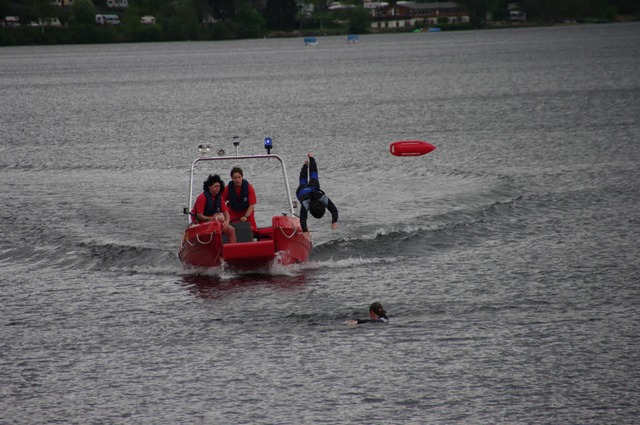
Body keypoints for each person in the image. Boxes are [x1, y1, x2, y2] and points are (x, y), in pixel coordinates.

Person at [296, 153, 338, 239]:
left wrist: (334, 222)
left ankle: (311, 158)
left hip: (313, 189)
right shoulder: (305, 204)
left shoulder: (322, 198)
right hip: (301, 191)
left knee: (314, 176)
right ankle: (305, 165)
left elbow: (334, 211)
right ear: (310, 211)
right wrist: (305, 231)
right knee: (303, 181)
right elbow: (302, 220)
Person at [191, 174, 237, 244]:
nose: (217, 188)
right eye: (215, 186)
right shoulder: (202, 198)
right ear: (209, 187)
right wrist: (210, 218)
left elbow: (226, 213)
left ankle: (233, 249)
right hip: (200, 222)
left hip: (214, 222)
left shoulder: (219, 198)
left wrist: (226, 222)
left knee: (231, 230)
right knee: (216, 227)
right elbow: (199, 215)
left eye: (218, 186)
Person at [222, 166, 257, 231]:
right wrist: (225, 213)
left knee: (252, 230)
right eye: (235, 178)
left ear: (242, 177)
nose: (237, 180)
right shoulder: (227, 189)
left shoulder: (249, 188)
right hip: (233, 212)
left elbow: (252, 205)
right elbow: (221, 202)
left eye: (239, 177)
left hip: (246, 212)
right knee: (231, 229)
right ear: (232, 178)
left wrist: (245, 216)